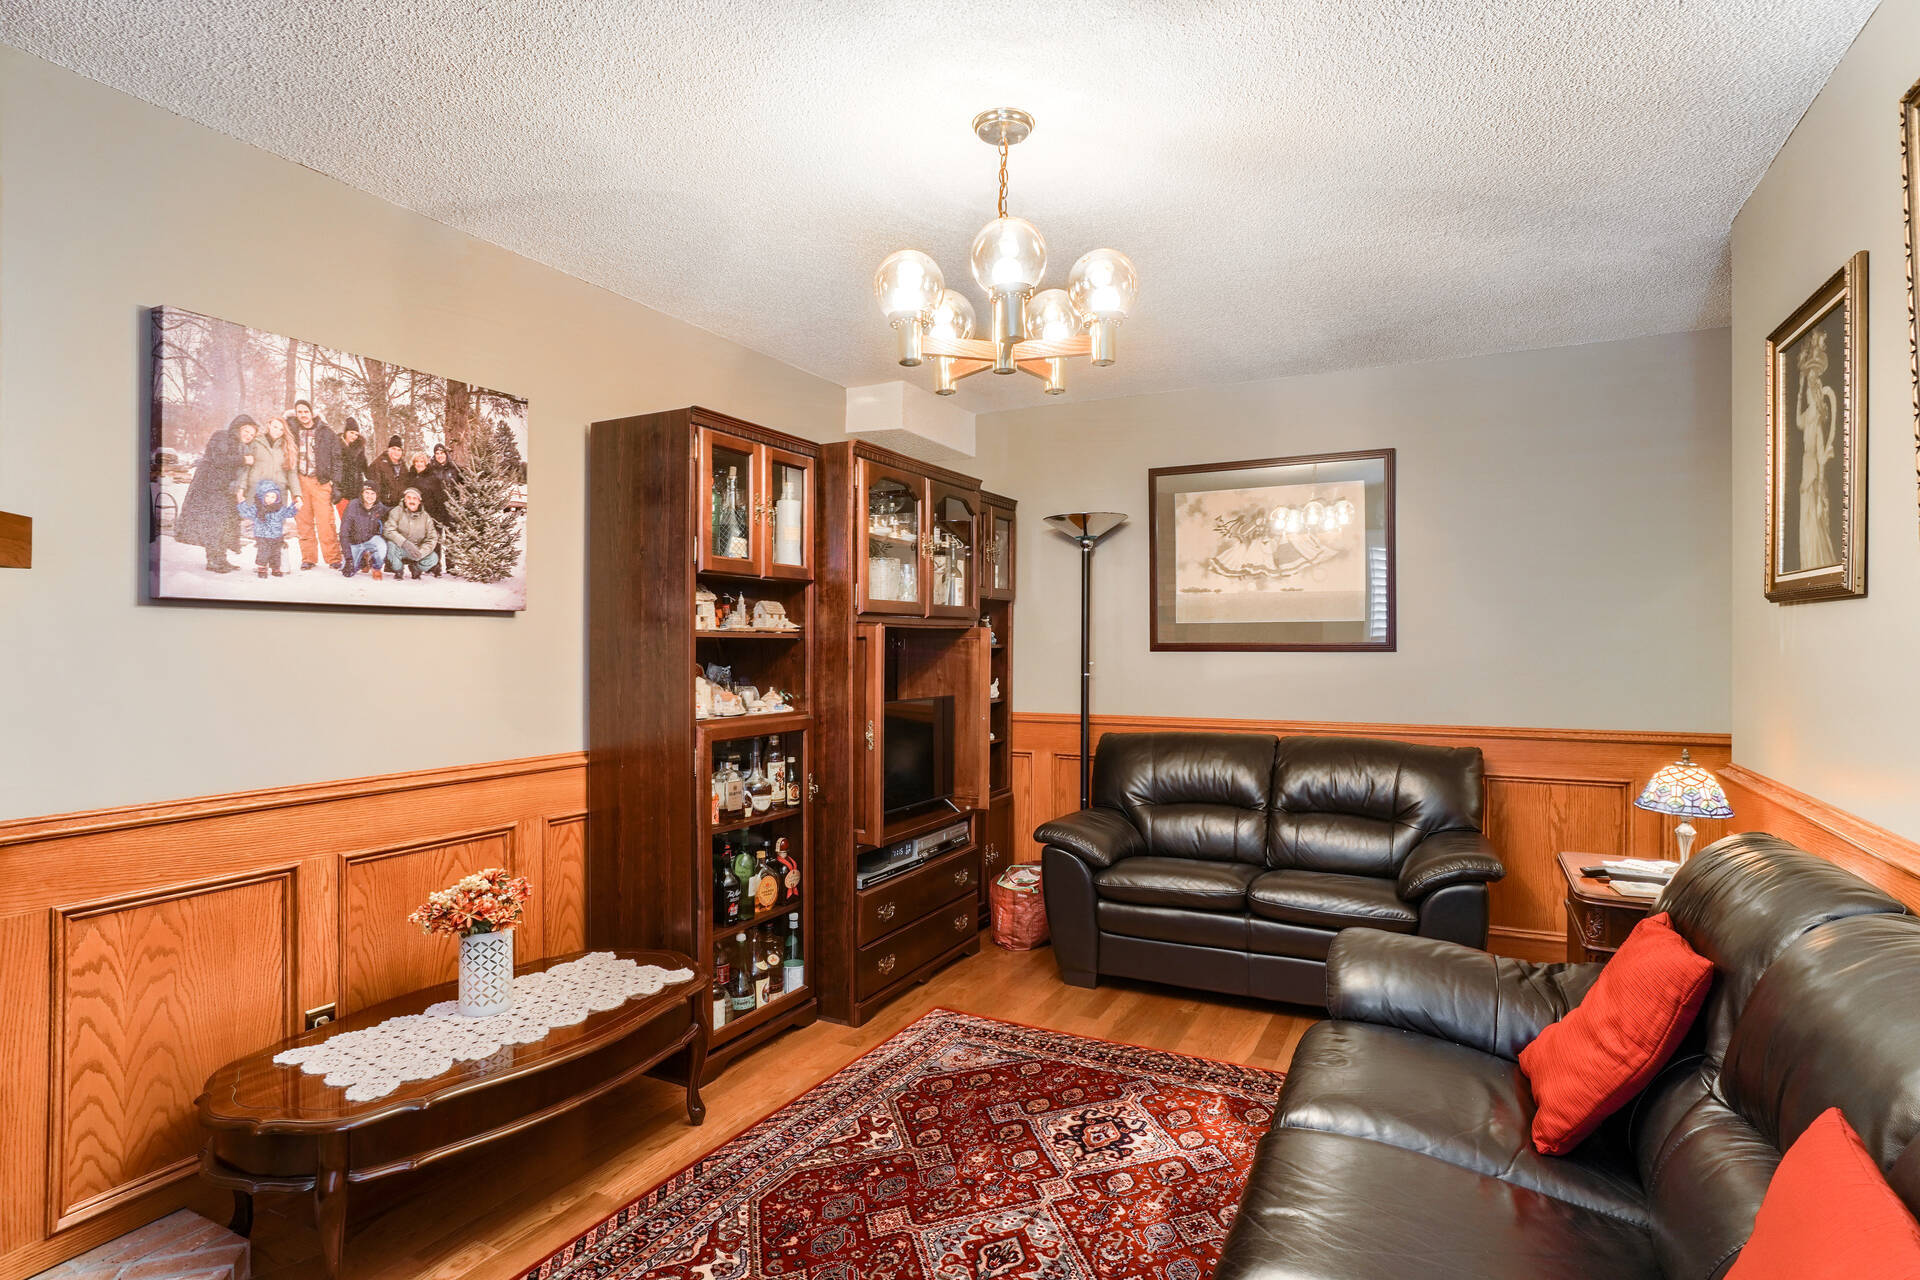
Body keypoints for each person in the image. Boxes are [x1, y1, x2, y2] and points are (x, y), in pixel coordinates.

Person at [174, 413, 253, 573]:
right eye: (246, 431)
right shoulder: (221, 436)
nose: (248, 436)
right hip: (209, 487)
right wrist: (243, 460)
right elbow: (219, 459)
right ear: (238, 428)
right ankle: (213, 561)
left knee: (224, 524)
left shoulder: (241, 446)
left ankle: (221, 559)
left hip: (224, 489)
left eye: (252, 434)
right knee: (214, 524)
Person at [289, 399, 342, 571]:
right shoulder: (291, 431)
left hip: (320, 481)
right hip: (300, 481)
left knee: (325, 522)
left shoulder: (326, 432)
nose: (303, 415)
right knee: (303, 522)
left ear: (312, 413)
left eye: (306, 411)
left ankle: (333, 558)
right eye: (300, 412)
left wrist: (336, 484)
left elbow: (337, 459)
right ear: (296, 414)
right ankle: (308, 558)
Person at [237, 479, 296, 578]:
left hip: (276, 535)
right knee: (263, 552)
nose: (270, 499)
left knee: (276, 553)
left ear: (277, 498)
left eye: (273, 497)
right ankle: (262, 568)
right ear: (262, 496)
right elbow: (246, 512)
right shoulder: (257, 508)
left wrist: (294, 506)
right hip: (262, 535)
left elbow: (288, 513)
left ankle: (275, 568)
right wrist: (241, 502)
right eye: (267, 496)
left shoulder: (279, 509)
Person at [382, 486, 442, 579]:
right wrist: (404, 543)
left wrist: (422, 552)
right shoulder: (396, 511)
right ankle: (398, 570)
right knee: (391, 546)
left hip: (417, 550)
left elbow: (432, 538)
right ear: (405, 500)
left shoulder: (426, 517)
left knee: (433, 558)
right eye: (409, 498)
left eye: (415, 498)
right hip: (401, 548)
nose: (411, 501)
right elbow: (388, 530)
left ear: (419, 501)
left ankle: (416, 569)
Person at [240, 416, 297, 506]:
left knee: (276, 515)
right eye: (275, 427)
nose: (277, 431)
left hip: (277, 493)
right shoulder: (256, 442)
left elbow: (292, 473)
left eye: (281, 429)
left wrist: (297, 495)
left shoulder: (287, 447)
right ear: (269, 425)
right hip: (256, 490)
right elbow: (246, 468)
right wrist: (241, 488)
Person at [338, 483, 387, 579]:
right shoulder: (353, 506)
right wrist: (348, 558)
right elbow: (344, 533)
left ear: (377, 495)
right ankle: (362, 561)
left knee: (382, 546)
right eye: (367, 493)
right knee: (347, 571)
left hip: (370, 540)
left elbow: (391, 511)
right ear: (362, 493)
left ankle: (376, 566)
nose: (370, 496)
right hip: (355, 543)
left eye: (373, 493)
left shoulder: (379, 507)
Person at [335, 420, 369, 523]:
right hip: (341, 489)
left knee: (356, 520)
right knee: (345, 519)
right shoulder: (336, 445)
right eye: (351, 433)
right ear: (346, 432)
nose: (354, 436)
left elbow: (364, 467)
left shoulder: (360, 447)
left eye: (356, 434)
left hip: (356, 488)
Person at [368, 435, 409, 508]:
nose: (396, 452)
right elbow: (375, 487)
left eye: (399, 450)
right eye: (393, 449)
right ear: (388, 449)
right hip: (383, 505)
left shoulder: (403, 466)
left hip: (399, 506)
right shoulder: (378, 464)